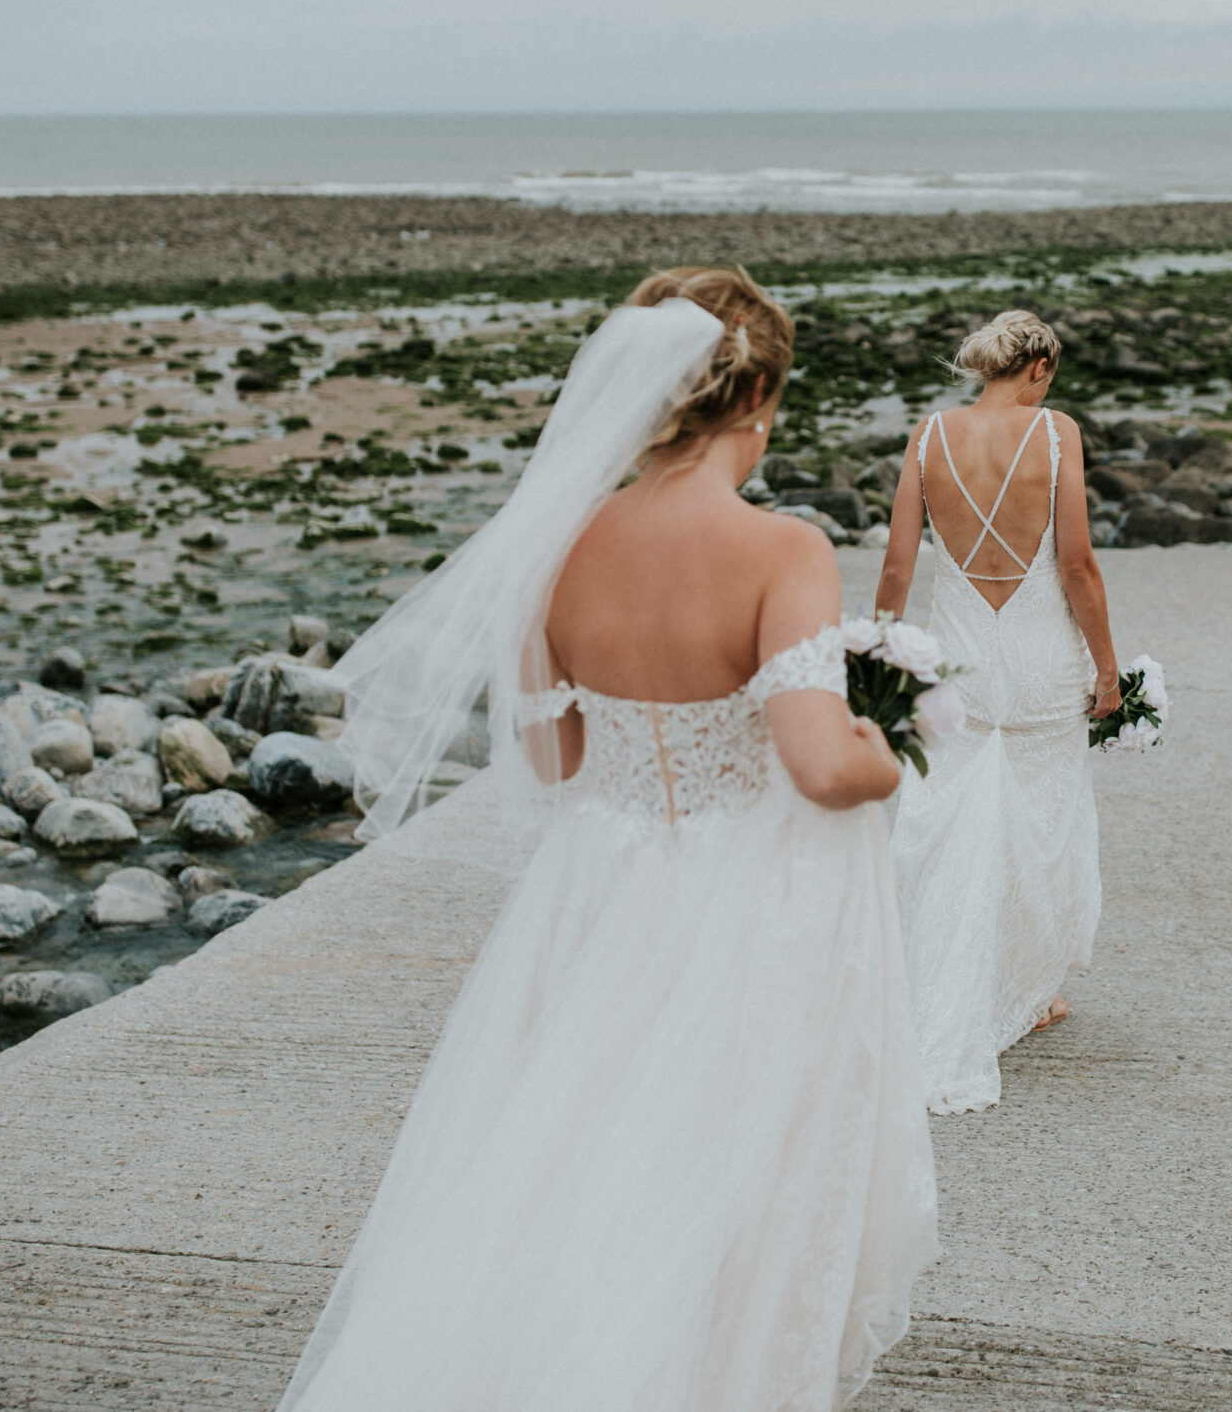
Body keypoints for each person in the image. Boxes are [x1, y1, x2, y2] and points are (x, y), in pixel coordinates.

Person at [280, 268, 937, 1412]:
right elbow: (823, 766)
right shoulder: (779, 548)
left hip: (600, 892)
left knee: (579, 1168)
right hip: (752, 899)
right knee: (733, 1174)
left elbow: (558, 763)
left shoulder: (557, 542)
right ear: (760, 392)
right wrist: (899, 747)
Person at [874, 310, 1120, 1116]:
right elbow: (1078, 563)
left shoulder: (929, 435)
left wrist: (880, 656)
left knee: (945, 809)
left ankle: (933, 976)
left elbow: (900, 562)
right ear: (1039, 365)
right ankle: (1029, 990)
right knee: (1041, 813)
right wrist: (1109, 666)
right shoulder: (1056, 434)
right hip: (1042, 652)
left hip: (960, 651)